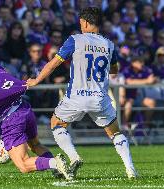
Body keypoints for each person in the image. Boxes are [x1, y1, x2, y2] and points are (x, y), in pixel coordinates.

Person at [26, 7, 138, 179]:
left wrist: (36, 80)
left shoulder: (75, 40)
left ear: (85, 22)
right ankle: (131, 169)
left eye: (80, 23)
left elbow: (53, 64)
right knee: (115, 133)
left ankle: (74, 156)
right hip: (99, 98)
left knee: (56, 123)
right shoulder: (109, 44)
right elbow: (114, 70)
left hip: (76, 96)